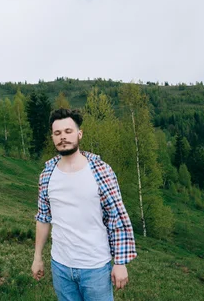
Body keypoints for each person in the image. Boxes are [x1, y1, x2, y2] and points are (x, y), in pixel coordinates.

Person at [31, 108, 137, 301]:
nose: (63, 137)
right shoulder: (47, 174)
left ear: (79, 134)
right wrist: (38, 257)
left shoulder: (101, 171)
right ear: (53, 138)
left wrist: (120, 263)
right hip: (60, 267)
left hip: (95, 267)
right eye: (57, 133)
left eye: (68, 131)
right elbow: (43, 218)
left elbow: (117, 218)